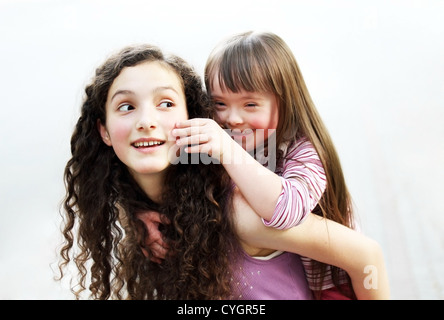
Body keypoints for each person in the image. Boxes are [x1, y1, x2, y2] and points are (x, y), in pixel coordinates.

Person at [57, 43, 312, 300]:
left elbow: (356, 253)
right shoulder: (154, 214)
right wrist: (132, 216)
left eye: (166, 103)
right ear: (104, 131)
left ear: (194, 118)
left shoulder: (239, 211)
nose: (146, 122)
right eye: (126, 107)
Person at [143, 31, 385, 299]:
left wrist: (226, 149)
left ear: (284, 102)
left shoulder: (304, 152)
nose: (232, 118)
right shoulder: (243, 140)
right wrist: (143, 215)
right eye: (219, 103)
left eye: (250, 104)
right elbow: (168, 169)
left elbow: (285, 211)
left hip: (331, 289)